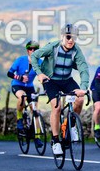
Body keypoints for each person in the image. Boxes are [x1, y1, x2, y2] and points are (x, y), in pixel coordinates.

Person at [30, 24, 90, 156]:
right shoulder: (53, 47)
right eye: (68, 37)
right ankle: (56, 140)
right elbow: (34, 56)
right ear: (62, 37)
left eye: (74, 37)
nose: (71, 40)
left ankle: (71, 125)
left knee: (79, 99)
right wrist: (39, 73)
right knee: (56, 107)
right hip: (51, 80)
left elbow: (83, 69)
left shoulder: (76, 50)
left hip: (67, 80)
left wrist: (84, 88)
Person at [7, 41, 40, 132]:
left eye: (35, 49)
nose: (32, 51)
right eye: (30, 49)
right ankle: (19, 118)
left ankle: (37, 136)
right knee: (22, 97)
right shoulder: (20, 60)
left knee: (35, 110)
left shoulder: (40, 62)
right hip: (17, 85)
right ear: (27, 51)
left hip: (30, 87)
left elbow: (43, 75)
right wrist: (20, 77)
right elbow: (9, 73)